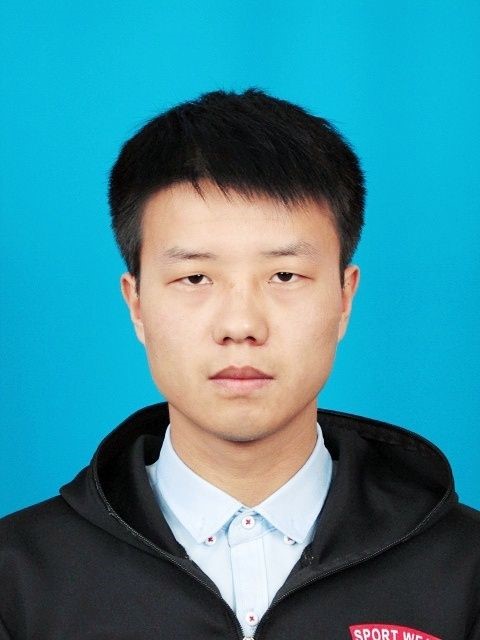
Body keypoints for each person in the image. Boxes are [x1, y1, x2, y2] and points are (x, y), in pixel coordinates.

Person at [1, 88, 479, 640]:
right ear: (136, 305)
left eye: (284, 276)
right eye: (195, 277)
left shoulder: (464, 568)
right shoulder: (19, 577)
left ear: (344, 298)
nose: (240, 324)